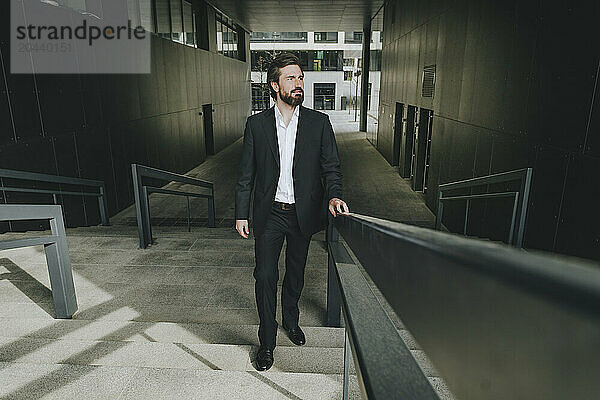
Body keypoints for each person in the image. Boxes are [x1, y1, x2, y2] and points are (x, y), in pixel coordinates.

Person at [235, 52, 349, 371]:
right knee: (265, 275)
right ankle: (267, 342)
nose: (299, 84)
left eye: (301, 78)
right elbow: (246, 174)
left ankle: (291, 320)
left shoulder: (319, 123)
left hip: (303, 214)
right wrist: (241, 214)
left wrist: (334, 196)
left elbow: (331, 169)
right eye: (291, 78)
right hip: (269, 214)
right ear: (275, 85)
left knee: (296, 273)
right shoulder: (256, 125)